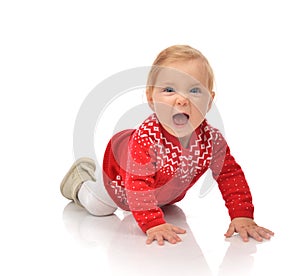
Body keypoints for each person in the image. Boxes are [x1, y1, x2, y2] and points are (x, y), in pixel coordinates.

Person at [60, 45, 274, 245]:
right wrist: (153, 223)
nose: (182, 100)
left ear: (209, 102)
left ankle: (151, 205)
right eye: (169, 90)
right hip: (119, 183)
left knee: (170, 209)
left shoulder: (212, 141)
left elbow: (230, 175)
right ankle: (80, 181)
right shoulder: (147, 139)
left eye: (195, 91)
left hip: (162, 193)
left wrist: (242, 215)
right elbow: (137, 183)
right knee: (98, 208)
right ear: (151, 98)